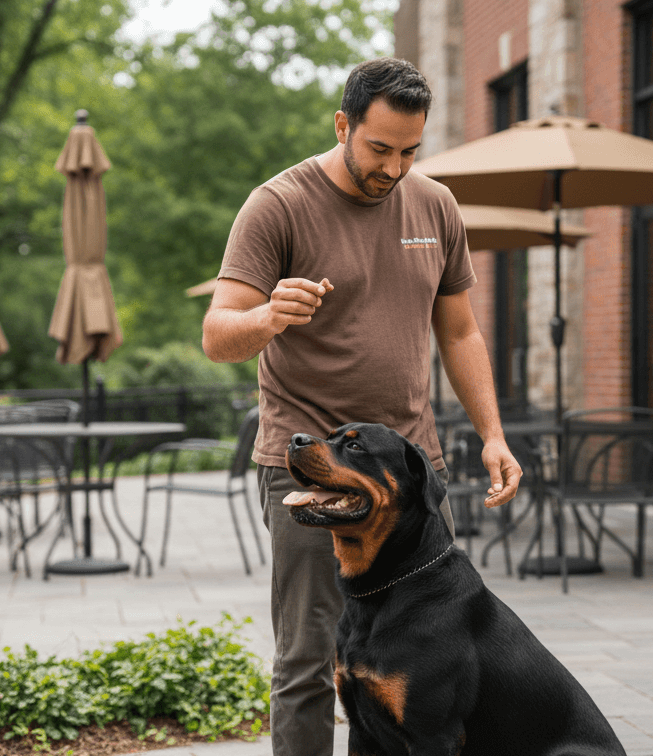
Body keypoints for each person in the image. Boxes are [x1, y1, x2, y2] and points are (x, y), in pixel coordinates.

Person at [201, 57, 522, 756]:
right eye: (379, 148)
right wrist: (265, 318)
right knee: (309, 663)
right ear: (343, 125)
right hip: (312, 472)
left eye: (410, 150)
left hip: (409, 476)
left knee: (422, 660)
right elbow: (217, 333)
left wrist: (492, 434)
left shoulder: (435, 205)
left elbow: (460, 329)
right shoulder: (277, 205)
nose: (395, 167)